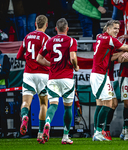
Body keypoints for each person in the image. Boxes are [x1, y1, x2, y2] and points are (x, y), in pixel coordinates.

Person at [91, 19, 128, 141]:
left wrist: (124, 54)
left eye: (118, 29)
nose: (117, 31)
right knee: (109, 103)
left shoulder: (101, 37)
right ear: (108, 29)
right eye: (114, 29)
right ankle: (98, 132)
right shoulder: (110, 39)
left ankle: (98, 132)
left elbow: (113, 55)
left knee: (103, 102)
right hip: (100, 74)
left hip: (102, 74)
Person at [36, 18, 79, 145]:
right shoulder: (71, 41)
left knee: (53, 105)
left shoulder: (49, 41)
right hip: (67, 79)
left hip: (53, 78)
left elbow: (39, 59)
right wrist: (75, 66)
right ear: (67, 29)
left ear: (55, 29)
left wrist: (50, 65)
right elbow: (72, 57)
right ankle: (65, 136)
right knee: (68, 108)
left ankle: (48, 121)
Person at [16, 15, 50, 143]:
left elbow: (19, 56)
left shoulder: (27, 37)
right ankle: (40, 133)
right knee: (43, 104)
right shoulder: (47, 38)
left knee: (25, 103)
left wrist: (29, 59)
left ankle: (24, 116)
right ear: (46, 25)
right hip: (43, 74)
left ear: (35, 24)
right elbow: (50, 57)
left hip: (28, 74)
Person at [0, 50, 11, 137]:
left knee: (2, 112)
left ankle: (4, 132)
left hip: (2, 90)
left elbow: (6, 73)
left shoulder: (4, 57)